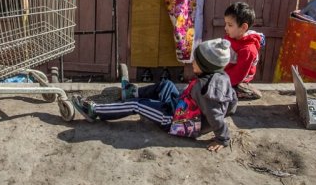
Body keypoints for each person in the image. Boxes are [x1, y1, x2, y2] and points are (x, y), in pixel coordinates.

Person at [71, 38, 238, 152]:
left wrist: (222, 138)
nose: (192, 62)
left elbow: (215, 114)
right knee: (167, 84)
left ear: (205, 66)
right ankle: (131, 92)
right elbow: (231, 101)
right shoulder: (219, 77)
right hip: (180, 107)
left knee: (137, 105)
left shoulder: (207, 90)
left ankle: (95, 111)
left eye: (196, 60)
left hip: (175, 121)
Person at [223, 2, 265, 100]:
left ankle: (244, 90)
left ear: (243, 27)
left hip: (237, 78)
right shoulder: (233, 36)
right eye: (226, 24)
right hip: (227, 71)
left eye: (229, 25)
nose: (225, 28)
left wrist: (221, 81)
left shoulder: (248, 50)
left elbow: (239, 74)